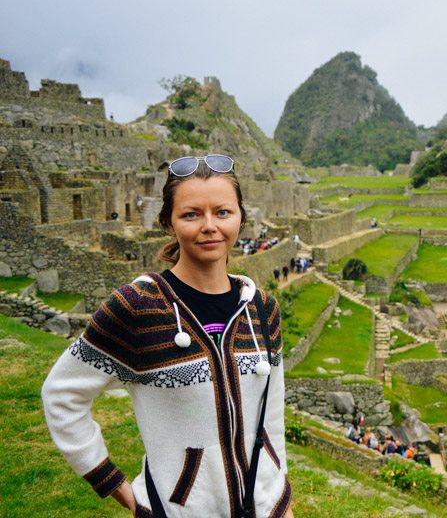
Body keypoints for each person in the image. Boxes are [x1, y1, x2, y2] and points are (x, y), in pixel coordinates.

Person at [41, 154, 293, 517]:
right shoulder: (137, 308)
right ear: (169, 223)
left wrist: (280, 494)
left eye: (222, 212)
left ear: (240, 216)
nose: (210, 226)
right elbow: (62, 394)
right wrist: (113, 483)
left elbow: (271, 417)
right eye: (191, 214)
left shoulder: (262, 308)